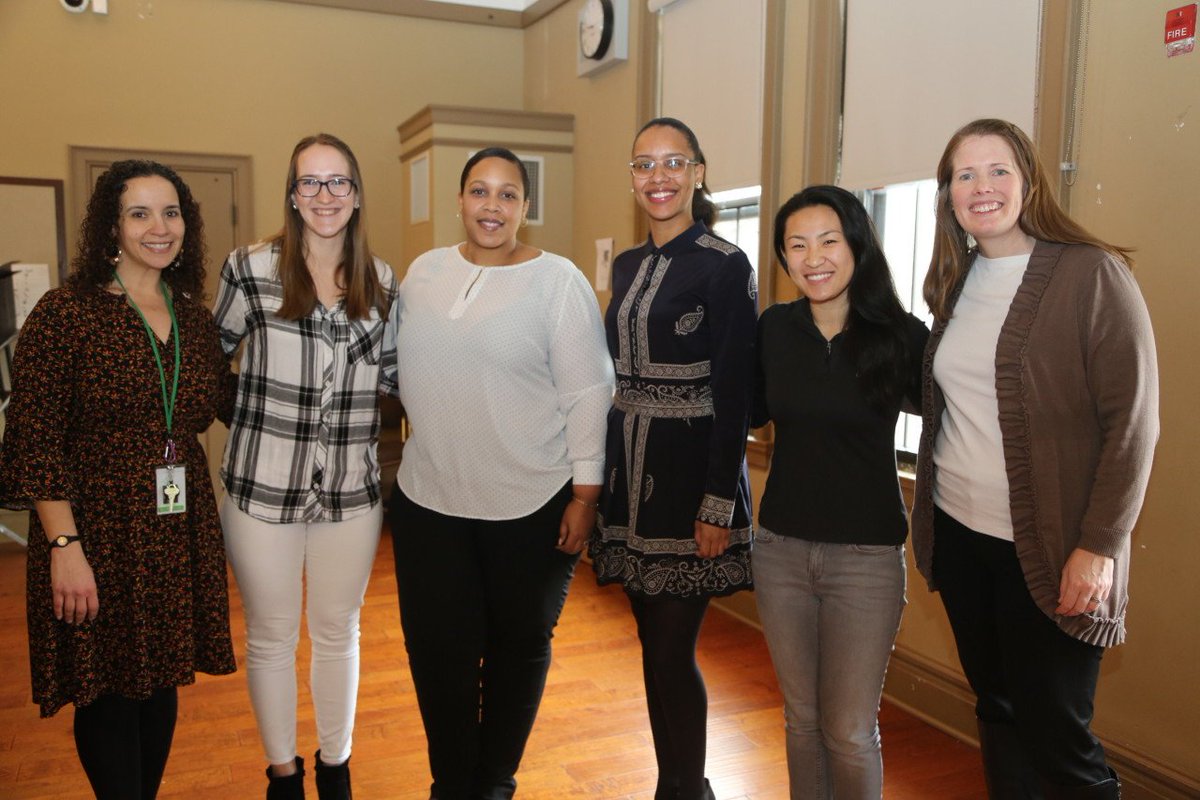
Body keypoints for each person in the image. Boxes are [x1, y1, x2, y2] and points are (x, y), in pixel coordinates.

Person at [911, 118, 1159, 799]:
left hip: (1053, 551)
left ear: (1029, 182)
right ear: (948, 195)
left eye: (997, 171)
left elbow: (1133, 425)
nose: (981, 187)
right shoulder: (956, 286)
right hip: (963, 540)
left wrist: (1099, 546)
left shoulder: (1091, 274)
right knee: (997, 710)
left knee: (1058, 735)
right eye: (964, 175)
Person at [0, 160, 236, 798]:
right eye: (140, 213)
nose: (159, 228)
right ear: (111, 225)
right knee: (104, 687)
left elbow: (228, 403)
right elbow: (35, 440)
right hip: (94, 530)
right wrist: (63, 549)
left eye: (171, 212)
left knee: (159, 680)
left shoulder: (192, 318)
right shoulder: (66, 314)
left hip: (173, 524)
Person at [384, 147, 614, 800]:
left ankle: (492, 786)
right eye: (480, 192)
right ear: (459, 201)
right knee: (438, 658)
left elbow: (588, 394)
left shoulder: (558, 281)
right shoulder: (423, 273)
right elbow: (395, 371)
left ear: (526, 208)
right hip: (429, 503)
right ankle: (450, 784)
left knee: (515, 652)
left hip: (532, 505)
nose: (492, 206)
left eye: (508, 194)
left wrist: (586, 494)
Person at [213, 133, 397, 800]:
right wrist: (256, 425)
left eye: (338, 182)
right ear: (292, 195)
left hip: (351, 495)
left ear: (355, 193)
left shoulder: (381, 282)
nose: (325, 196)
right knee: (270, 634)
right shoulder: (250, 268)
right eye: (310, 183)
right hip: (261, 494)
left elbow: (401, 377)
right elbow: (209, 361)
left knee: (338, 631)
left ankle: (336, 765)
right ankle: (284, 774)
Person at [589, 117, 757, 800]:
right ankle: (675, 784)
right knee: (651, 655)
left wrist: (718, 501)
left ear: (698, 172)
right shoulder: (628, 264)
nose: (657, 177)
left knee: (670, 651)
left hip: (690, 485)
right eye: (643, 165)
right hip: (629, 480)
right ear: (632, 178)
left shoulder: (725, 263)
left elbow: (736, 389)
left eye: (672, 163)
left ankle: (688, 789)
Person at [752, 185, 928, 799]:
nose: (813, 257)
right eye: (796, 245)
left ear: (856, 244)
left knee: (850, 731)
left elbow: (961, 422)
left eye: (828, 240)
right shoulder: (773, 329)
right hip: (780, 551)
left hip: (867, 561)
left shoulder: (901, 336)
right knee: (802, 721)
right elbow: (738, 412)